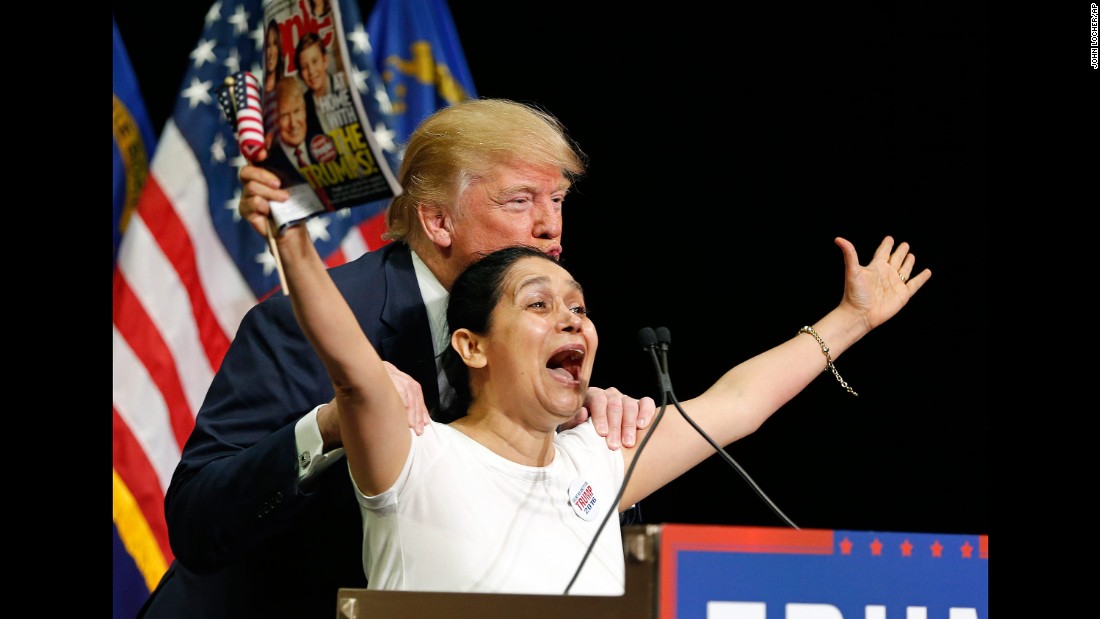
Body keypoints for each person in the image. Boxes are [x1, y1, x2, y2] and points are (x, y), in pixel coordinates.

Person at [137, 98, 654, 618]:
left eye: (558, 199)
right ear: (437, 221)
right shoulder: (307, 324)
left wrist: (595, 451)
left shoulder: (540, 327)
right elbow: (196, 521)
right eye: (520, 201)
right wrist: (327, 428)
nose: (550, 228)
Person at [272, 229, 930, 594]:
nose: (571, 320)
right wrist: (292, 238)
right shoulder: (415, 455)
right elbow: (354, 372)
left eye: (579, 308)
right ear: (470, 345)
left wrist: (853, 319)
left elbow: (738, 403)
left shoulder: (601, 458)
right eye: (538, 305)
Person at [262, 76, 326, 187]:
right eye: (284, 115)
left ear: (304, 111)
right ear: (275, 120)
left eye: (297, 111)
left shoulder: (324, 143)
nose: (293, 124)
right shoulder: (269, 162)